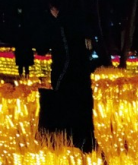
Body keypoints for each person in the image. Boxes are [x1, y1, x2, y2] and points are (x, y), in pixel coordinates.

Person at [39, 1, 95, 152]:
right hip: (80, 81)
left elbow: (66, 55)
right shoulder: (77, 22)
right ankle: (84, 147)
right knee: (81, 120)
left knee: (69, 118)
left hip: (69, 81)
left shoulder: (63, 25)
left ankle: (75, 147)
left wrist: (58, 81)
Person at [14, 7, 35, 77]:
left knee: (24, 64)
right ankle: (23, 75)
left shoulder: (23, 25)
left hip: (24, 47)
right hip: (23, 47)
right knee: (23, 64)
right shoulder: (20, 24)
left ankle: (25, 75)